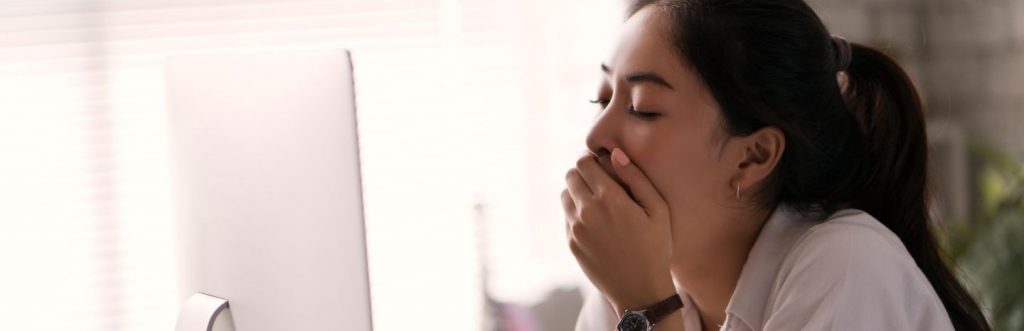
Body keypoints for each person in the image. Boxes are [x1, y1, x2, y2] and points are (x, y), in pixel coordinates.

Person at [560, 1, 991, 330]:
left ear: (754, 156)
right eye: (602, 99)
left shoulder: (846, 266)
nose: (595, 137)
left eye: (643, 108)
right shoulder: (621, 289)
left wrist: (647, 309)